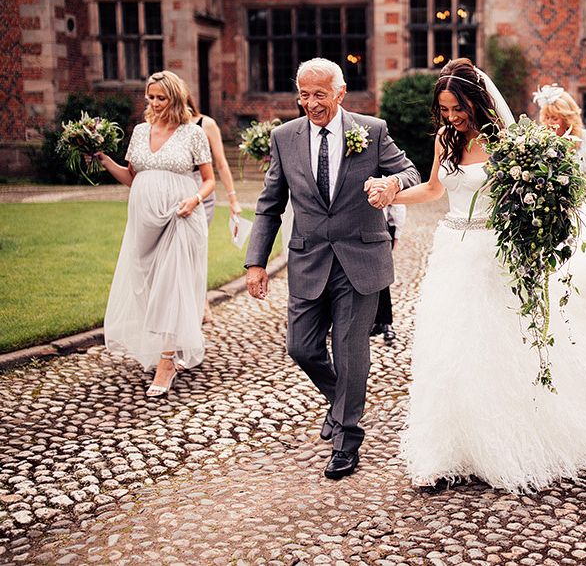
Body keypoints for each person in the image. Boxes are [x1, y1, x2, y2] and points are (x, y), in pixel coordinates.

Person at [379, 58, 586, 492]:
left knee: (492, 350)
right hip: (450, 254)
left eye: (457, 109)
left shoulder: (506, 143)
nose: (451, 117)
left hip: (493, 256)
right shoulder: (444, 140)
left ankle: (496, 448)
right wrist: (390, 194)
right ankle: (445, 451)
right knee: (445, 348)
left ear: (476, 102)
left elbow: (526, 203)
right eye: (445, 109)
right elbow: (433, 189)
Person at [244, 58, 420, 479]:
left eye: (319, 94)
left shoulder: (372, 131)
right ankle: (341, 404)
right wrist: (255, 262)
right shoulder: (284, 137)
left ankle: (347, 438)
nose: (310, 103)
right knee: (300, 347)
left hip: (361, 259)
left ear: (340, 93)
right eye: (303, 94)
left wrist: (391, 185)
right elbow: (270, 206)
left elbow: (411, 173)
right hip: (308, 259)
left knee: (349, 348)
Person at [95, 70, 215, 397]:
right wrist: (104, 159)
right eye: (151, 97)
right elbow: (132, 177)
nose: (155, 103)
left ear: (175, 98)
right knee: (148, 286)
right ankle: (162, 347)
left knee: (172, 286)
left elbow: (209, 180)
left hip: (181, 216)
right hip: (144, 223)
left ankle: (166, 362)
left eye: (161, 98)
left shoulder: (192, 133)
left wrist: (195, 199)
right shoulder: (139, 132)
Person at [187, 94, 243, 323]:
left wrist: (233, 198)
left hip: (203, 192)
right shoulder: (168, 125)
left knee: (195, 248)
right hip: (175, 192)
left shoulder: (205, 124)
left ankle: (201, 302)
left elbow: (220, 162)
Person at [533, 84, 586, 174]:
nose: (549, 123)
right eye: (546, 118)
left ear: (567, 120)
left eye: (555, 119)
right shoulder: (539, 142)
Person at [370, 203, 407, 343]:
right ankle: (376, 322)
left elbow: (396, 203)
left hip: (381, 228)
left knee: (380, 275)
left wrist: (396, 232)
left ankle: (385, 322)